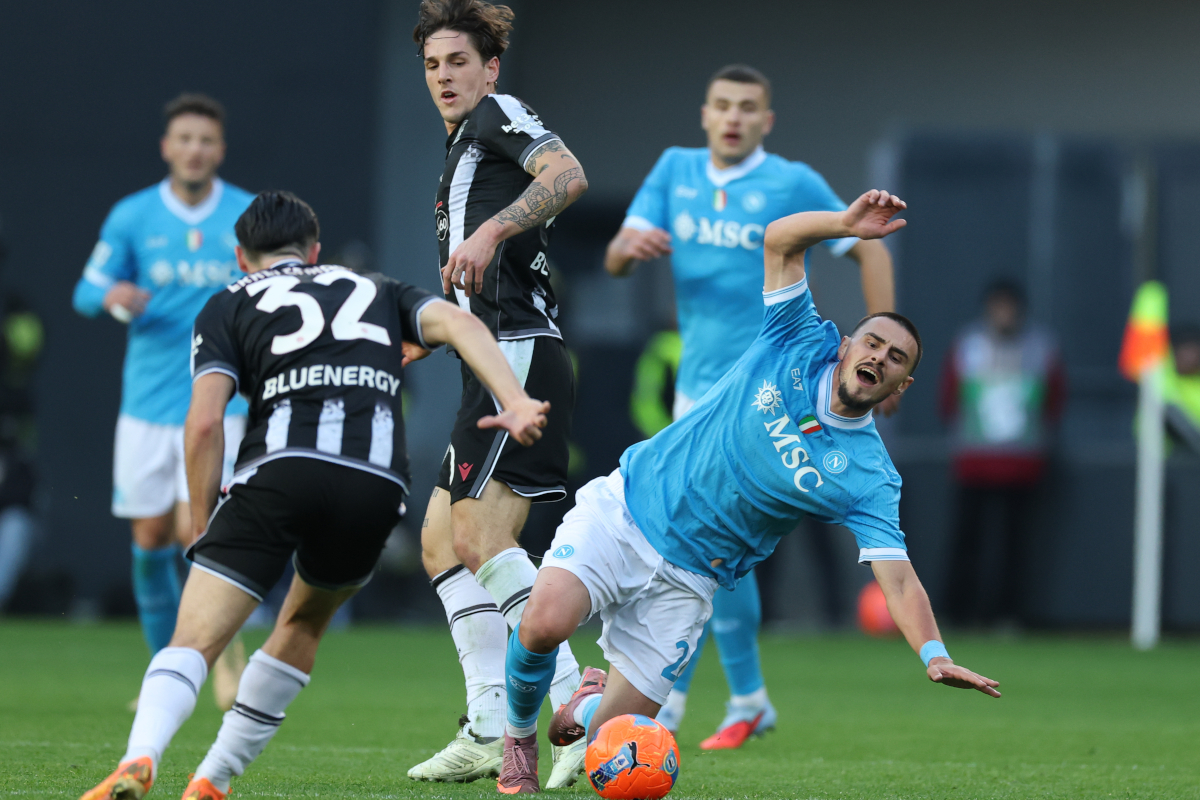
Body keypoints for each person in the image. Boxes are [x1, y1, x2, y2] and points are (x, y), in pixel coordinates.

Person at [496, 191, 1002, 795]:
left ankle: (586, 704)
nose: (880, 357)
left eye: (896, 359)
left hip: (690, 580)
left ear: (902, 383)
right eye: (872, 343)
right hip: (629, 510)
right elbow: (779, 241)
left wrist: (933, 653)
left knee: (611, 741)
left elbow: (897, 578)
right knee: (543, 625)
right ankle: (517, 745)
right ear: (846, 345)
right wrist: (842, 226)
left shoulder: (869, 474)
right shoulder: (795, 338)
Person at [78, 190, 552, 800]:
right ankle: (213, 780)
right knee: (300, 625)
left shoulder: (226, 303)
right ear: (316, 251)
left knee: (193, 638)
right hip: (374, 483)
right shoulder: (373, 289)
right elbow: (461, 323)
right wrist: (513, 401)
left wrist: (203, 527)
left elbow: (202, 426)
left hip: (279, 469)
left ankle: (140, 757)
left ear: (242, 257)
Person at [603, 64, 898, 748]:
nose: (733, 117)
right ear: (704, 114)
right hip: (694, 392)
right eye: (723, 106)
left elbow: (866, 247)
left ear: (766, 121)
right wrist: (628, 246)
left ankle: (680, 700)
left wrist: (882, 346)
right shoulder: (675, 170)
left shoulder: (791, 182)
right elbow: (617, 258)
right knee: (693, 546)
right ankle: (741, 697)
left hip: (764, 396)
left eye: (748, 108)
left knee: (703, 547)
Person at [406, 0, 590, 788]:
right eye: (432, 64)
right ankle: (488, 723)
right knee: (441, 542)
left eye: (458, 61)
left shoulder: (498, 115)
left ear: (490, 69)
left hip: (517, 356)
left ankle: (580, 699)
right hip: (490, 356)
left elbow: (569, 174)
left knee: (480, 538)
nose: (444, 76)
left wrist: (491, 232)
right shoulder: (460, 149)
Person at [71, 94, 253, 708]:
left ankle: (221, 655)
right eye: (185, 139)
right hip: (147, 404)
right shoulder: (133, 216)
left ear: (219, 150)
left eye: (206, 140)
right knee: (149, 541)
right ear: (167, 148)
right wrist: (115, 295)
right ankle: (163, 671)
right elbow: (86, 291)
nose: (195, 149)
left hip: (218, 399)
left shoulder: (246, 214)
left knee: (192, 532)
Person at [938, 279, 1065, 627]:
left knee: (1016, 545)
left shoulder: (1041, 346)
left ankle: (1009, 615)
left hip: (1022, 464)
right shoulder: (968, 345)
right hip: (974, 461)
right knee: (968, 541)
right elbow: (949, 397)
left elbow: (1054, 400)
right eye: (998, 306)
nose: (1004, 315)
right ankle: (959, 613)